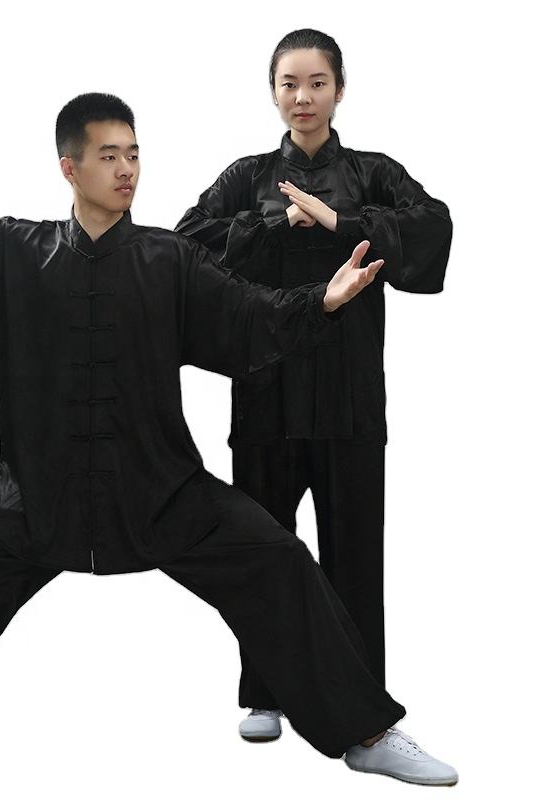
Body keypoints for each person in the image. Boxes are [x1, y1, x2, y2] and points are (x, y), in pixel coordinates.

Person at [0, 93, 457, 785]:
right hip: (37, 498)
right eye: (109, 156)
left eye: (134, 154)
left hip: (162, 495)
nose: (126, 169)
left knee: (281, 562)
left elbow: (248, 317)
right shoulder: (12, 253)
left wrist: (322, 300)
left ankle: (367, 733)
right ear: (69, 168)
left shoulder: (169, 260)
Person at [175, 29, 452, 744]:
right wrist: (274, 220)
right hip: (265, 394)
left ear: (339, 89)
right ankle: (265, 693)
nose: (303, 97)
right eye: (289, 83)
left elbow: (434, 226)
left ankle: (364, 713)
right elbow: (185, 245)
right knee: (263, 551)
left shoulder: (373, 174)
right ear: (272, 92)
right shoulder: (246, 177)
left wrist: (340, 220)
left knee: (354, 558)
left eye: (317, 83)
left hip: (349, 396)